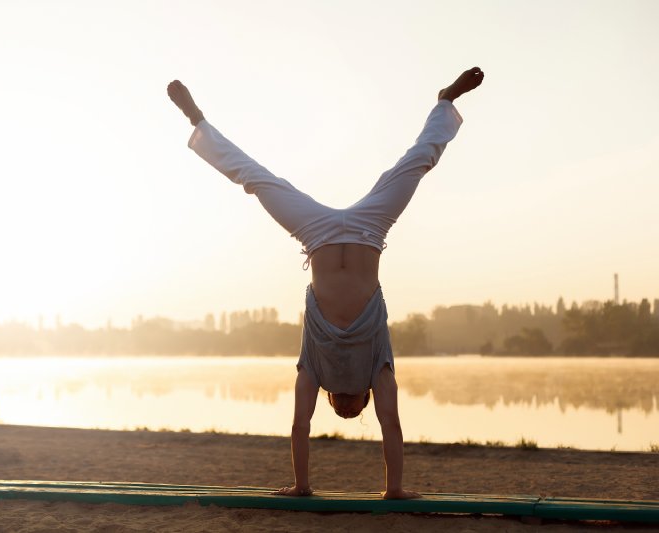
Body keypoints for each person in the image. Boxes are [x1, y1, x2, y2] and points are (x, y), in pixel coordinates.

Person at [167, 68, 484, 499]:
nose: (350, 409)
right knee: (417, 162)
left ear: (332, 400)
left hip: (315, 233)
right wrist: (394, 491)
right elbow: (390, 422)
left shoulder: (314, 370)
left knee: (257, 180)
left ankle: (197, 121)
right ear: (364, 401)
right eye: (356, 411)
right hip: (370, 229)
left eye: (342, 410)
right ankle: (446, 101)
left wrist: (301, 486)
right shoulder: (378, 368)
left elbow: (300, 424)